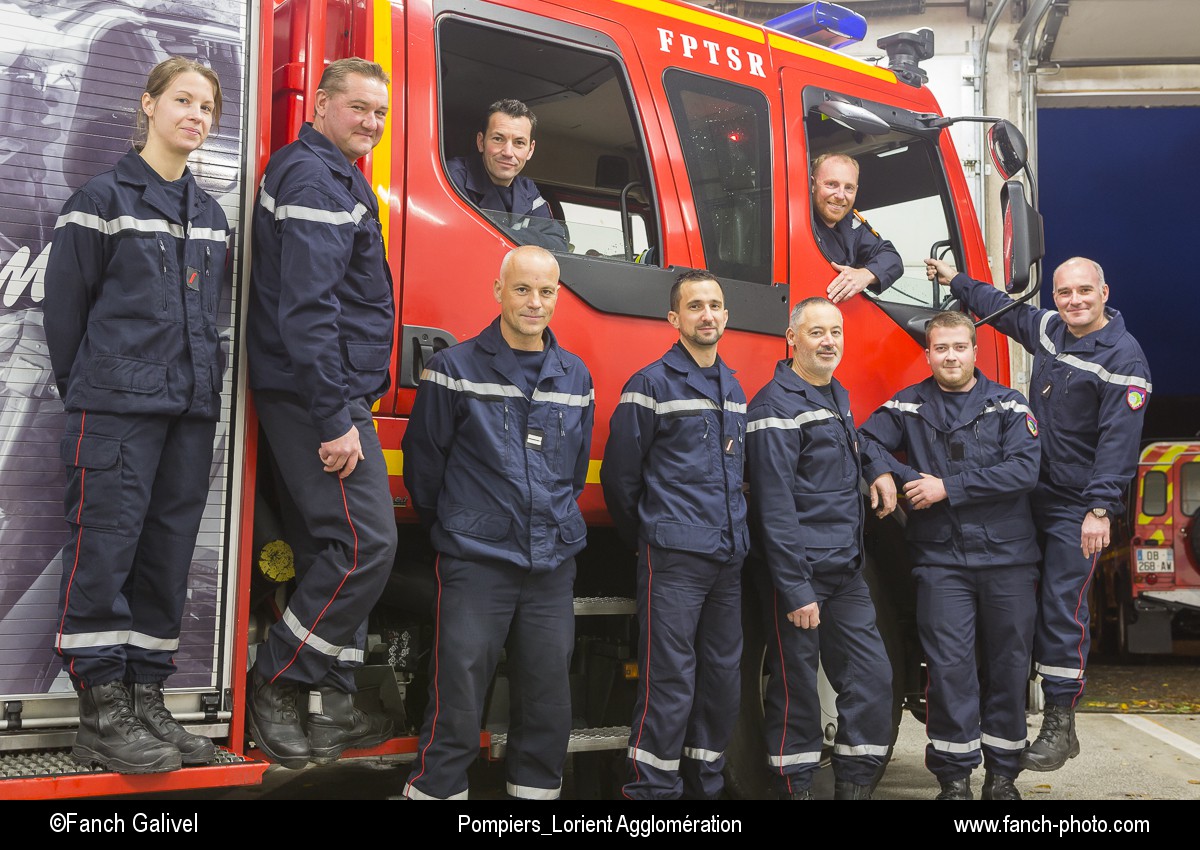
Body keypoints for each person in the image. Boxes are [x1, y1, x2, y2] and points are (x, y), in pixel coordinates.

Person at [43, 57, 228, 773]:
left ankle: (147, 698)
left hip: (186, 414)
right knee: (105, 551)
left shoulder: (209, 217)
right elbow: (67, 316)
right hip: (115, 411)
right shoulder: (100, 198)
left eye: (208, 107)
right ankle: (102, 712)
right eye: (183, 100)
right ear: (149, 105)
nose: (197, 116)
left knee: (165, 558)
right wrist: (95, 389)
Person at [925, 256, 1151, 771]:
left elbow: (1119, 443)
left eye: (1084, 292)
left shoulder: (1124, 359)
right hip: (1032, 493)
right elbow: (1003, 310)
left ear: (1104, 291)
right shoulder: (1051, 329)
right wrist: (955, 280)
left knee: (1060, 605)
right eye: (1065, 292)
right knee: (1014, 600)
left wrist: (1099, 508)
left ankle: (1060, 722)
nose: (1074, 301)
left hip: (1078, 506)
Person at [245, 57, 397, 770]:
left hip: (320, 390)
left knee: (324, 550)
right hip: (317, 395)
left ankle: (325, 696)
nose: (370, 123)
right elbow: (307, 311)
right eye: (358, 108)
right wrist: (337, 415)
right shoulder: (313, 177)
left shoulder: (336, 173)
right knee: (365, 546)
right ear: (320, 106)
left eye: (379, 113)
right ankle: (277, 676)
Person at [401, 245, 594, 800]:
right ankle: (436, 791)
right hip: (477, 558)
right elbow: (425, 467)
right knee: (458, 691)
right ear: (498, 292)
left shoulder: (574, 375)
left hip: (550, 562)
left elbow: (574, 472)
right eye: (523, 289)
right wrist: (467, 525)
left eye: (546, 292)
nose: (535, 302)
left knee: (548, 696)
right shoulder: (453, 368)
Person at [860, 311, 1041, 801]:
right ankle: (954, 779)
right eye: (941, 348)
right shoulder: (909, 404)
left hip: (1007, 561)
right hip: (942, 562)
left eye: (960, 347)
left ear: (975, 352)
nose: (951, 356)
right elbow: (865, 437)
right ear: (928, 353)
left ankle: (1002, 778)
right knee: (949, 668)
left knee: (1007, 667)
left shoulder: (1008, 404)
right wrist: (885, 474)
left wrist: (947, 488)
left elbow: (1023, 471)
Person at [601, 270, 748, 800]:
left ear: (726, 316)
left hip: (728, 560)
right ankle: (651, 796)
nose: (707, 315)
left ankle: (704, 791)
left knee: (721, 683)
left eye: (715, 305)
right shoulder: (650, 384)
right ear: (674, 318)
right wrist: (650, 537)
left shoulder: (733, 387)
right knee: (668, 683)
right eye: (695, 307)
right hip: (675, 558)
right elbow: (620, 477)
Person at [745, 296, 897, 800]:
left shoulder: (837, 396)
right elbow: (774, 506)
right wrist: (794, 589)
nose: (828, 341)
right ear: (792, 339)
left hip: (846, 572)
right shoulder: (774, 406)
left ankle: (854, 787)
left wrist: (877, 467)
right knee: (796, 694)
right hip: (801, 576)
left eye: (835, 332)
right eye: (816, 333)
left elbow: (854, 445)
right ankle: (797, 790)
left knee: (872, 680)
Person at [446, 98, 567, 250]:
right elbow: (455, 238)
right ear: (481, 142)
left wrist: (496, 235)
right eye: (498, 139)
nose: (508, 152)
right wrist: (523, 237)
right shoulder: (451, 179)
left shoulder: (528, 191)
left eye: (519, 143)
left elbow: (558, 244)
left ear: (530, 150)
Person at [810, 153, 903, 304]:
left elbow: (892, 258)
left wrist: (866, 274)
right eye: (831, 184)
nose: (840, 195)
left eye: (849, 188)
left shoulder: (850, 222)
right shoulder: (797, 220)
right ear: (813, 184)